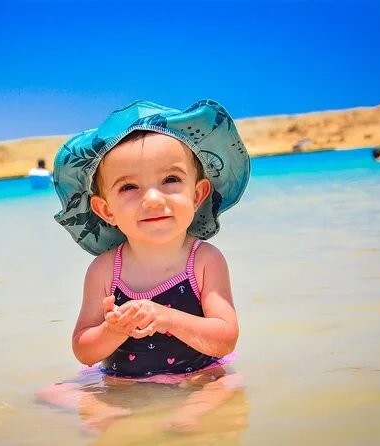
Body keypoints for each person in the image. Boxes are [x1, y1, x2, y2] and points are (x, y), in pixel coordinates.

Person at [38, 99, 250, 432]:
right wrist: (112, 330)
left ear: (198, 195)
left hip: (198, 376)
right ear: (106, 210)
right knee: (51, 391)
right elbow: (84, 351)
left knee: (228, 382)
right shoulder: (104, 270)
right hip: (122, 381)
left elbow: (225, 340)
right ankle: (109, 413)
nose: (152, 199)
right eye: (129, 187)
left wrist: (166, 317)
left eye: (170, 179)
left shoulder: (204, 260)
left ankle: (191, 413)